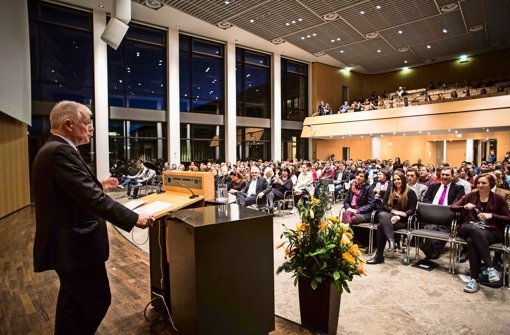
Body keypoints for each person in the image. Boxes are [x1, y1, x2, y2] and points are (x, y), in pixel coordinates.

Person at [32, 101, 154, 335]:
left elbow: (71, 190)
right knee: (96, 301)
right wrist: (133, 218)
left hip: (66, 247)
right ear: (69, 124)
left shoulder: (54, 148)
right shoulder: (60, 151)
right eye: (87, 122)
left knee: (72, 303)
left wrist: (99, 185)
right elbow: (92, 199)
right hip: (74, 247)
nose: (91, 128)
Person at [450, 173, 510, 293]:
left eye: (484, 183)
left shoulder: (499, 198)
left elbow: (508, 218)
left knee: (472, 241)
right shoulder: (471, 195)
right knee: (473, 229)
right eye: (478, 183)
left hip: (490, 230)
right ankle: (490, 267)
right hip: (468, 227)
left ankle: (474, 280)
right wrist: (465, 207)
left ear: (491, 184)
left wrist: (491, 215)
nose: (480, 185)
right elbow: (453, 207)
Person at [367, 171, 418, 264]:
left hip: (403, 220)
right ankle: (391, 241)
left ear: (403, 180)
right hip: (389, 217)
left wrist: (399, 216)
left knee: (380, 226)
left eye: (398, 179)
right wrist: (394, 212)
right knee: (382, 214)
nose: (396, 181)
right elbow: (384, 205)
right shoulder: (390, 190)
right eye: (394, 180)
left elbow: (412, 210)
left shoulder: (411, 192)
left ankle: (379, 255)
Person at [419, 167, 465, 259]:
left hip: (448, 216)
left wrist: (444, 212)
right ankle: (434, 251)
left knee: (441, 228)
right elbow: (426, 200)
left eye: (447, 175)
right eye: (442, 174)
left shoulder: (458, 188)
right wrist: (432, 210)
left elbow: (457, 202)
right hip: (431, 215)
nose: (444, 177)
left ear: (452, 176)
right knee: (431, 226)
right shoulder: (433, 186)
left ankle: (432, 251)